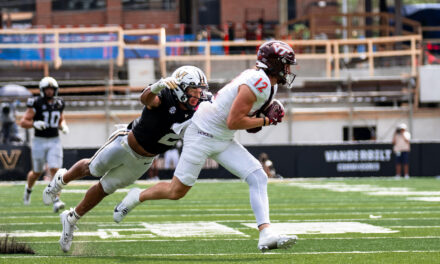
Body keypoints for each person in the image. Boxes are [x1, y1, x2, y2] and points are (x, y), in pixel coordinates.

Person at [114, 40, 298, 252]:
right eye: (285, 64)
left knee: (258, 176)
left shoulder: (267, 84)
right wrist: (266, 120)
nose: (288, 70)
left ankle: (266, 234)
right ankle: (136, 197)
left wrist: (259, 117)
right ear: (274, 63)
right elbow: (234, 121)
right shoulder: (260, 82)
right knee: (176, 191)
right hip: (202, 133)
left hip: (222, 137)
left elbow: (241, 123)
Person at [42, 65, 209, 253]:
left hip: (144, 161)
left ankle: (71, 218)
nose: (198, 95)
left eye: (199, 90)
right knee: (93, 168)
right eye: (193, 90)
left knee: (105, 188)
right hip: (125, 143)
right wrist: (158, 85)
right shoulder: (164, 96)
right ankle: (60, 181)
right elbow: (145, 98)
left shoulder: (199, 109)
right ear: (180, 89)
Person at [19, 77, 68, 212]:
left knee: (55, 170)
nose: (50, 92)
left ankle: (56, 200)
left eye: (52, 89)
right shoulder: (36, 103)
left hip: (54, 140)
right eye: (47, 89)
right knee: (36, 172)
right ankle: (28, 190)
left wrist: (63, 126)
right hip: (39, 141)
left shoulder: (59, 103)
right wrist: (34, 123)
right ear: (42, 90)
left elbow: (60, 119)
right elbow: (23, 122)